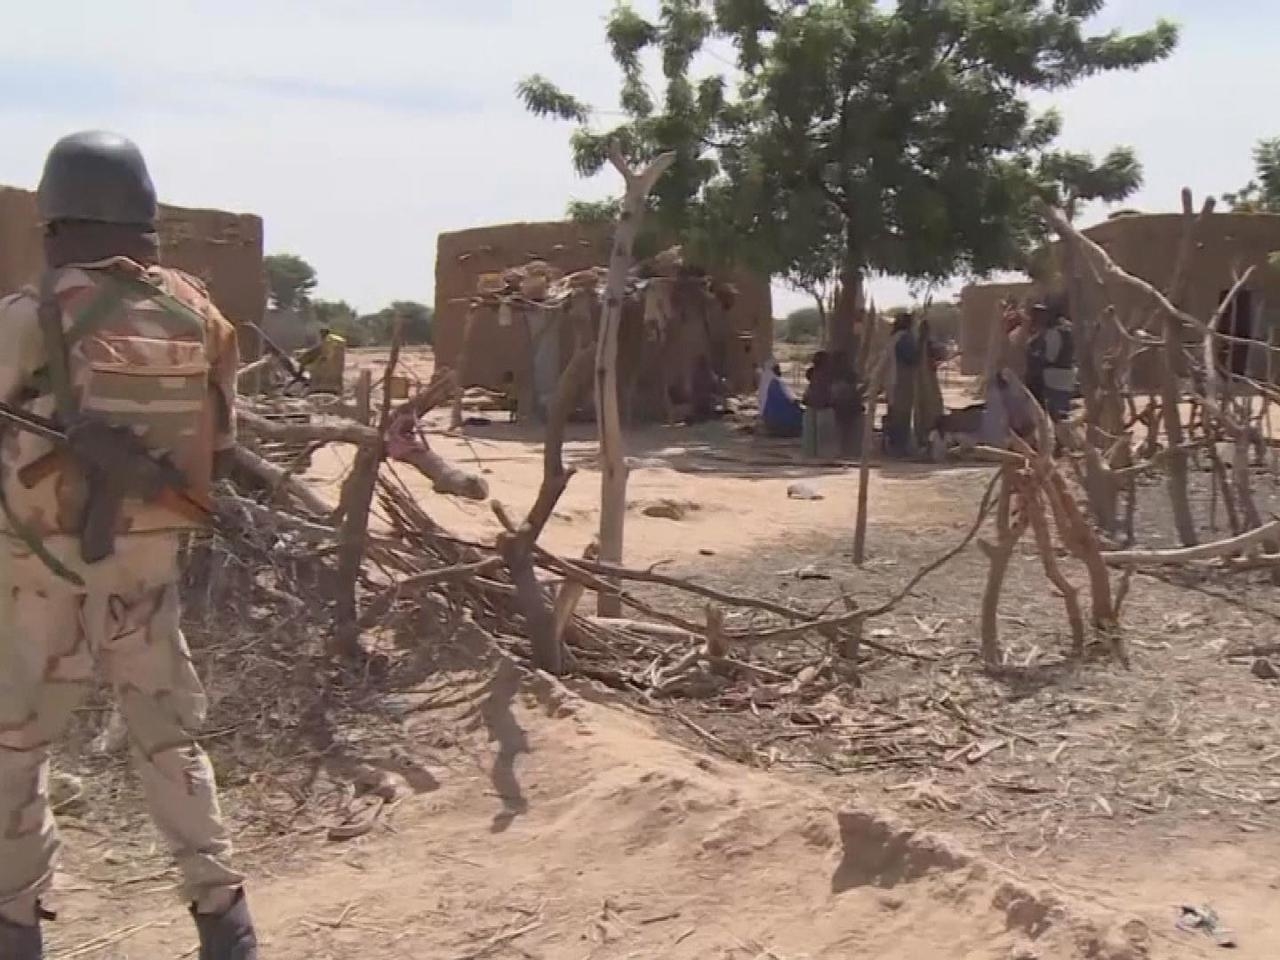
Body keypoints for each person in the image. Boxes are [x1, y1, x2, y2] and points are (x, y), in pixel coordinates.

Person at [0, 132, 257, 959]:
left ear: (54, 220)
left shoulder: (33, 313)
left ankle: (14, 928)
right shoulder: (200, 314)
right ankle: (225, 922)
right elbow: (218, 449)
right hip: (147, 573)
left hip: (34, 577)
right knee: (169, 742)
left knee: (15, 748)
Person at [883, 312, 919, 457]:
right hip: (901, 381)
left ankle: (891, 445)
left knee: (894, 413)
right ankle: (899, 448)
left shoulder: (894, 338)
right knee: (901, 415)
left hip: (892, 380)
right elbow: (911, 357)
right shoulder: (905, 338)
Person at [757, 358, 803, 438]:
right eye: (777, 368)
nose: (779, 370)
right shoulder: (776, 381)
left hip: (767, 416)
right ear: (772, 369)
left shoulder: (765, 381)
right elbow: (791, 398)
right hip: (781, 415)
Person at [296, 324, 346, 394]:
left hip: (323, 367)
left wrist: (302, 359)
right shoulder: (337, 340)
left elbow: (316, 353)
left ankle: (300, 380)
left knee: (306, 364)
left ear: (322, 334)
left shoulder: (326, 342)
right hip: (337, 370)